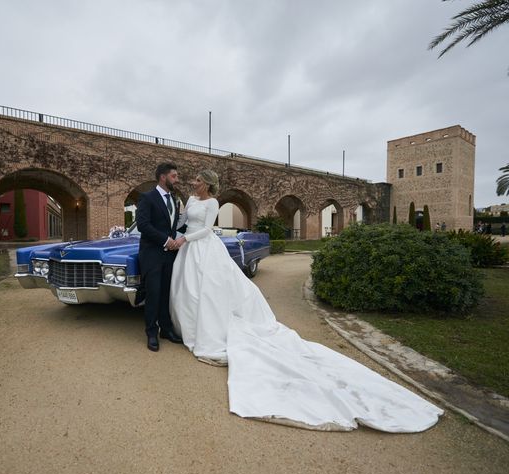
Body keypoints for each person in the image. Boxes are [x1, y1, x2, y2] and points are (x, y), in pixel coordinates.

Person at [170, 169, 443, 433]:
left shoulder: (213, 202)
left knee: (208, 291)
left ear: (206, 184)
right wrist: (175, 230)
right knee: (188, 289)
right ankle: (187, 327)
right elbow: (183, 220)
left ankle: (208, 330)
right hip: (187, 250)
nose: (192, 183)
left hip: (202, 248)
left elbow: (205, 230)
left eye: (197, 180)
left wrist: (183, 239)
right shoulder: (191, 200)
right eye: (193, 179)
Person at [135, 163, 184, 352]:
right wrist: (166, 240)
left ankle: (166, 330)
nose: (176, 180)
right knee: (153, 294)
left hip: (170, 255)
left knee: (166, 294)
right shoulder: (147, 197)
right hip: (152, 254)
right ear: (163, 177)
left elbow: (173, 226)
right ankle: (151, 333)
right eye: (174, 176)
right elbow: (143, 226)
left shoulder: (175, 200)